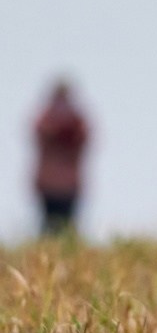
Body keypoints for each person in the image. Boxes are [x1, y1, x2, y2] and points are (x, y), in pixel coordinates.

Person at [32, 80, 88, 236]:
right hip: (50, 183)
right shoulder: (46, 119)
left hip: (67, 184)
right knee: (48, 224)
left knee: (67, 224)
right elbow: (40, 133)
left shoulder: (76, 122)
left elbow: (84, 139)